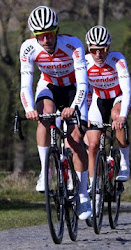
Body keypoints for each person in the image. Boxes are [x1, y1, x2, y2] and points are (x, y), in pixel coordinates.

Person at [20, 6, 91, 220]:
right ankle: (45, 171)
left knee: (75, 140)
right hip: (48, 86)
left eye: (49, 34)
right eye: (40, 36)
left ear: (57, 31)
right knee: (44, 117)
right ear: (35, 36)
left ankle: (83, 194)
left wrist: (75, 106)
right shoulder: (28, 48)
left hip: (73, 89)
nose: (45, 40)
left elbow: (83, 83)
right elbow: (26, 85)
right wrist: (29, 109)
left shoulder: (73, 44)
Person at [85, 26, 131, 190]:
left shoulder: (117, 59)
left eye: (103, 49)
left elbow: (127, 91)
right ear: (89, 49)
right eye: (94, 50)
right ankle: (94, 184)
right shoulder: (85, 62)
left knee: (116, 115)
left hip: (117, 98)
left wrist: (123, 117)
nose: (99, 54)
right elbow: (83, 91)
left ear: (109, 48)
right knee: (92, 145)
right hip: (98, 100)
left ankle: (125, 163)